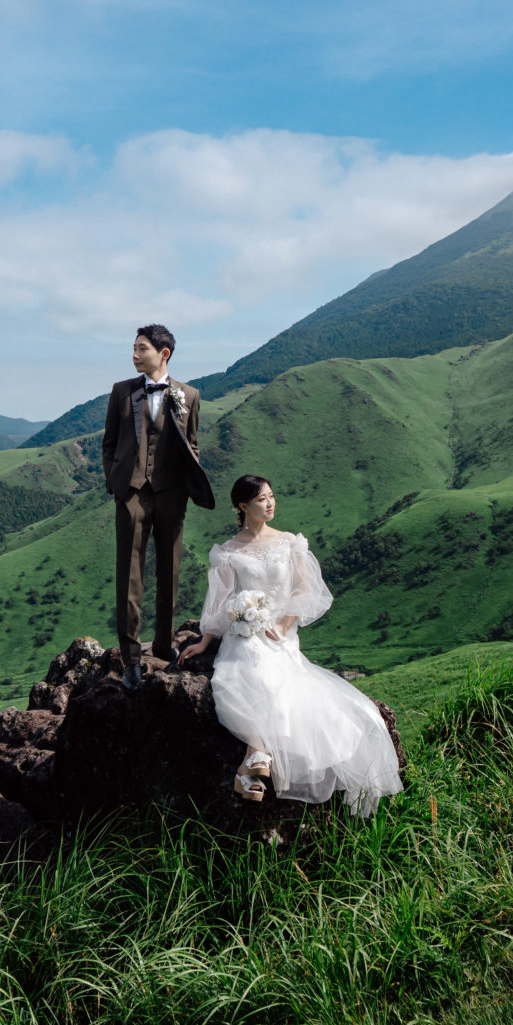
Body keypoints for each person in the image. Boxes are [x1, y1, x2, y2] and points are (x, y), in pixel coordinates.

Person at [178, 475, 404, 815]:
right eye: (261, 499)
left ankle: (251, 763)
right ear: (242, 506)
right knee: (244, 669)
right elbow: (221, 600)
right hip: (245, 635)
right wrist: (206, 638)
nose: (270, 504)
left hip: (281, 634)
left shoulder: (289, 543)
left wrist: (283, 625)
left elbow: (305, 590)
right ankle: (253, 758)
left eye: (272, 496)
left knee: (279, 675)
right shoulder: (227, 553)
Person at [100, 323, 214, 688]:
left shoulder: (189, 395)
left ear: (163, 354)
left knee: (170, 571)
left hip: (171, 493)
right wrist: (115, 482)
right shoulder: (121, 392)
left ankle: (163, 645)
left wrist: (186, 487)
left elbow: (191, 445)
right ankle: (131, 658)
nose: (134, 354)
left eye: (141, 348)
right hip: (131, 494)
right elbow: (109, 443)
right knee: (129, 577)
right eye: (133, 348)